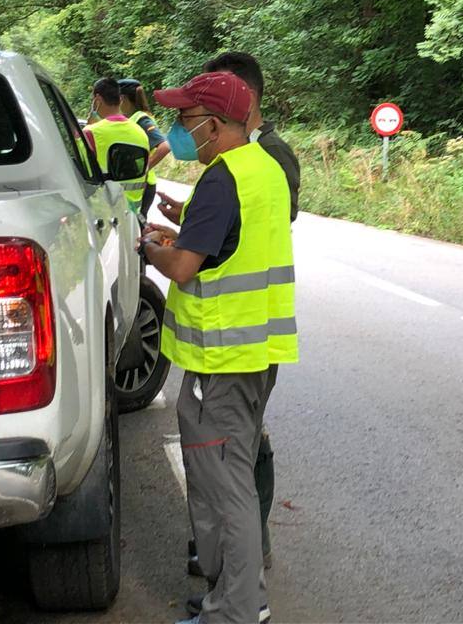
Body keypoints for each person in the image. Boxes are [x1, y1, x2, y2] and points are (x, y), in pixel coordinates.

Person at [139, 71, 298, 624]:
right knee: (227, 479)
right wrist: (181, 232)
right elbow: (232, 238)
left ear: (214, 124)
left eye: (186, 120)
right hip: (254, 351)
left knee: (225, 487)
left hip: (223, 357)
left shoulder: (223, 176)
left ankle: (236, 610)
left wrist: (152, 248)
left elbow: (184, 268)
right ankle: (228, 596)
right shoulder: (264, 169)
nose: (180, 130)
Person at [83, 77, 151, 214]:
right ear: (120, 100)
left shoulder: (91, 132)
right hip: (133, 212)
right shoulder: (140, 131)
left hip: (105, 214)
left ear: (97, 99)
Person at [119, 78, 171, 218]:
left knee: (138, 225)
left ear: (122, 98)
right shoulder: (131, 118)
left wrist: (145, 168)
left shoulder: (142, 119)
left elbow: (164, 146)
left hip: (145, 184)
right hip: (138, 184)